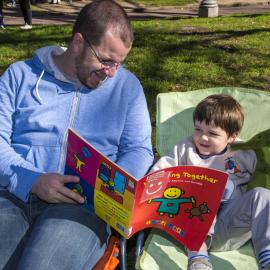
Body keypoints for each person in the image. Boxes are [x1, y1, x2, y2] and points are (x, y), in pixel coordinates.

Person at [0, 0, 153, 269]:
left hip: (81, 204)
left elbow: (139, 150)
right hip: (14, 193)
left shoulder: (127, 88)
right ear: (79, 43)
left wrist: (109, 192)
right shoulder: (19, 77)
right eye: (106, 61)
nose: (111, 73)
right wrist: (32, 180)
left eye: (118, 63)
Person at [150, 94, 270, 270]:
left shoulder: (244, 153)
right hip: (192, 226)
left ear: (232, 136)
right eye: (198, 129)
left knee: (262, 195)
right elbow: (159, 173)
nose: (203, 138)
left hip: (230, 227)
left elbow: (265, 172)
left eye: (212, 133)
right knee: (201, 193)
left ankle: (267, 257)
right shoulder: (185, 149)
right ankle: (198, 260)